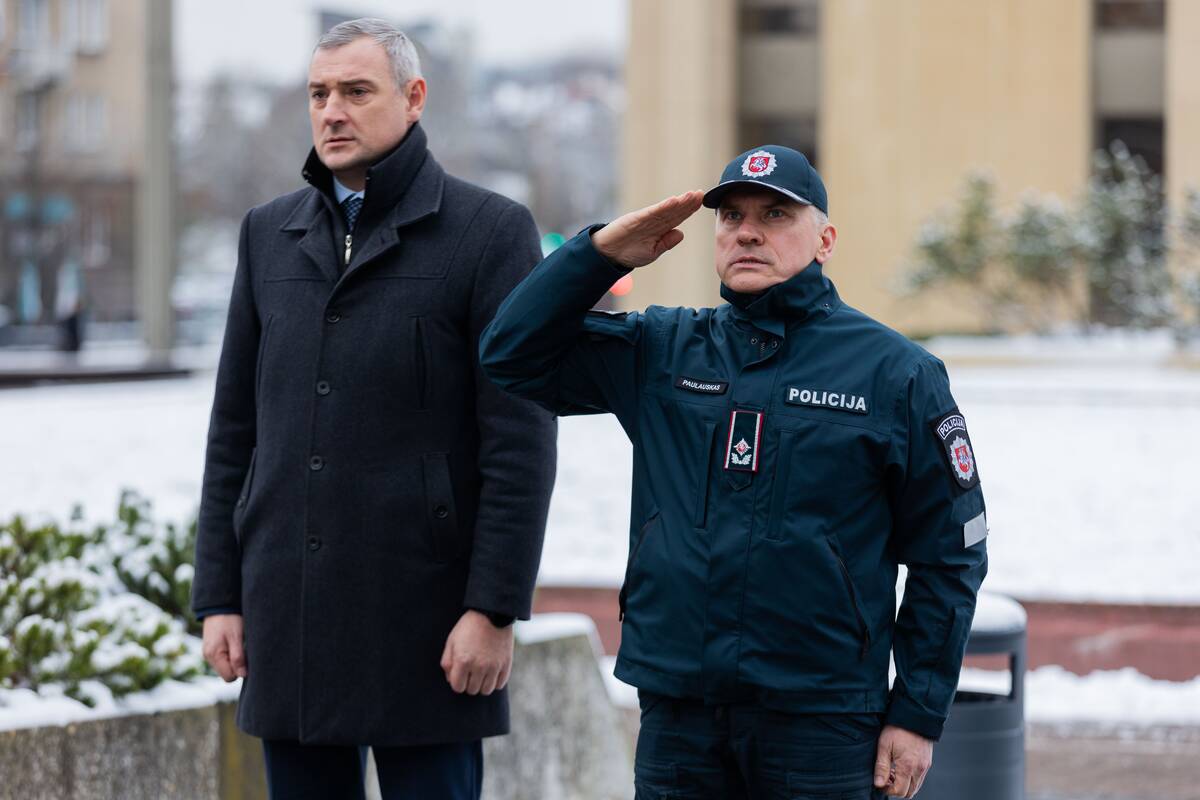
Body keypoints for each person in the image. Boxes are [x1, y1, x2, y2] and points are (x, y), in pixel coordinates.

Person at [480, 146, 988, 799]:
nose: (747, 230)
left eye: (776, 213)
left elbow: (951, 553)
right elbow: (509, 354)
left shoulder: (895, 374)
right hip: (679, 715)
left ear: (825, 238)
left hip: (824, 723)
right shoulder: (661, 349)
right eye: (731, 216)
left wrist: (916, 713)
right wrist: (598, 255)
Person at [190, 18, 556, 800]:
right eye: (319, 94)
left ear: (413, 97)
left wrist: (492, 609)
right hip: (290, 617)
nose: (332, 112)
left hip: (427, 624)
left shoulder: (489, 232)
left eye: (356, 92)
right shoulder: (267, 235)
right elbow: (234, 433)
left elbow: (519, 442)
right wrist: (220, 595)